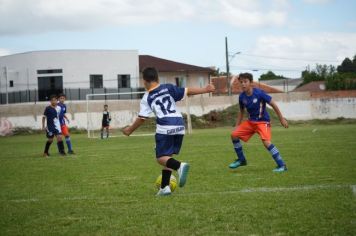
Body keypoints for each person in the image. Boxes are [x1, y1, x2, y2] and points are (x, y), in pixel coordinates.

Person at [122, 67, 215, 196]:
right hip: (179, 124)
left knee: (160, 158)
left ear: (144, 81)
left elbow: (142, 118)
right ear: (158, 78)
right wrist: (205, 89)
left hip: (165, 126)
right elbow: (188, 91)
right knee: (168, 156)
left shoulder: (147, 97)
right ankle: (165, 187)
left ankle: (179, 166)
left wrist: (129, 130)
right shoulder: (168, 88)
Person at [229, 73, 288, 172]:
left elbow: (273, 104)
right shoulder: (241, 97)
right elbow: (241, 111)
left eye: (245, 82)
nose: (243, 84)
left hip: (262, 122)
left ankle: (282, 165)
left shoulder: (259, 93)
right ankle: (241, 160)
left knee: (266, 143)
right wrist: (237, 126)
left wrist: (281, 119)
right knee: (234, 135)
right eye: (241, 82)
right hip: (251, 122)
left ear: (251, 83)